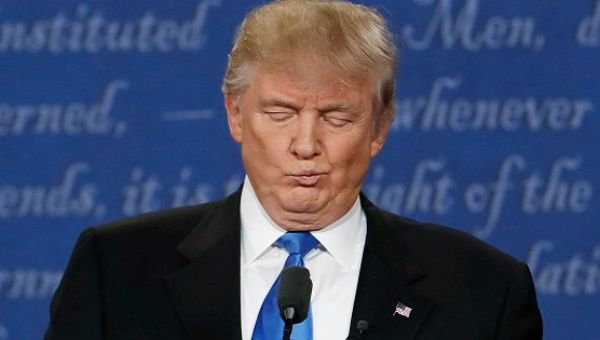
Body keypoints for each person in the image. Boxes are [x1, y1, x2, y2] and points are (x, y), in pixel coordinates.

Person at [45, 0, 543, 339]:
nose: (306, 145)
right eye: (280, 114)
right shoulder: (115, 270)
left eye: (336, 116)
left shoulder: (483, 289)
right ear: (235, 115)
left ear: (379, 127)